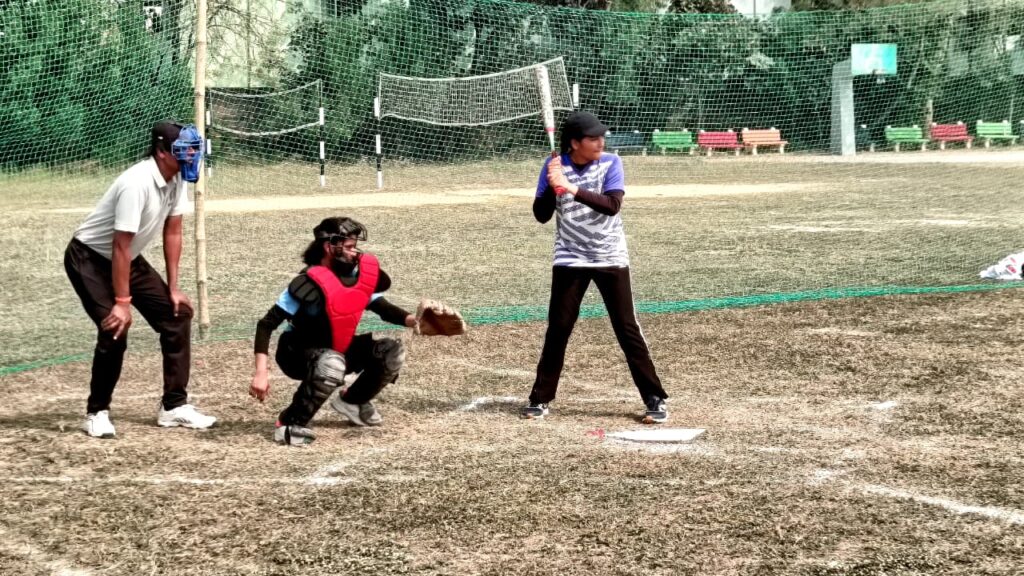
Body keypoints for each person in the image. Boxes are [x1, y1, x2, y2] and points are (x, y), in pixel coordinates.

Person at [64, 120, 217, 438]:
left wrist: (173, 288)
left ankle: (173, 407)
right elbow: (119, 245)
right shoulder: (136, 183)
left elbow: (173, 231)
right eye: (184, 150)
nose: (191, 155)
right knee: (115, 327)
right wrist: (122, 303)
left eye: (193, 149)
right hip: (89, 258)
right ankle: (96, 412)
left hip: (127, 258)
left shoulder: (178, 177)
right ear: (162, 152)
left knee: (177, 315)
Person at [524, 111, 670, 424]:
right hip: (570, 256)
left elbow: (612, 206)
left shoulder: (611, 163)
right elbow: (541, 215)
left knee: (626, 327)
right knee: (559, 328)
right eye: (593, 138)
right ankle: (540, 398)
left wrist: (571, 188)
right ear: (575, 143)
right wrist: (551, 184)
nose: (600, 142)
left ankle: (654, 397)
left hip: (610, 255)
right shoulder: (554, 165)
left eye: (601, 136)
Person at [249, 217, 418, 446]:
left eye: (355, 246)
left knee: (391, 351)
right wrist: (261, 372)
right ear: (329, 247)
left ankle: (353, 402)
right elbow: (266, 325)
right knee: (331, 362)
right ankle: (289, 423)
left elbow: (384, 309)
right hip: (296, 352)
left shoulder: (356, 277)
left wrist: (417, 321)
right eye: (349, 246)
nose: (354, 252)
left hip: (337, 347)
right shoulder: (308, 282)